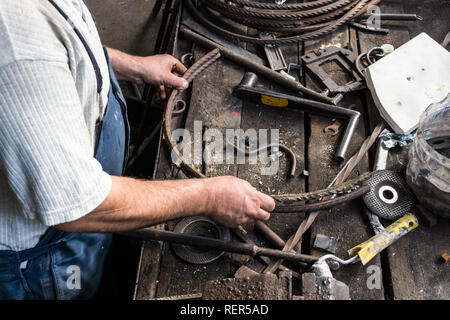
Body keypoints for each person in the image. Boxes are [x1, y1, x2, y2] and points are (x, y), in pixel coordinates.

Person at [0, 0, 275, 300]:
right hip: (43, 260)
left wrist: (126, 65)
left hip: (83, 218)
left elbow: (63, 38)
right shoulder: (15, 43)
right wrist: (209, 196)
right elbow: (76, 203)